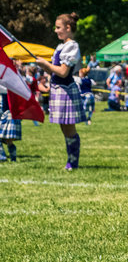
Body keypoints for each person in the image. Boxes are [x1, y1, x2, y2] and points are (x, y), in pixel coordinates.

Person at [34, 13, 88, 170]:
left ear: (68, 28)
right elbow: (55, 71)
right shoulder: (61, 46)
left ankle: (73, 161)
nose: (55, 31)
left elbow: (63, 72)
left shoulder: (72, 46)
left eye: (58, 27)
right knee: (63, 127)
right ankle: (70, 160)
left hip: (66, 91)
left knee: (69, 127)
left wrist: (46, 64)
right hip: (58, 90)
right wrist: (45, 66)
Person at [0, 86, 20, 162]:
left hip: (8, 112)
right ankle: (11, 158)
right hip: (9, 111)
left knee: (9, 140)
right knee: (9, 140)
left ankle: (3, 157)